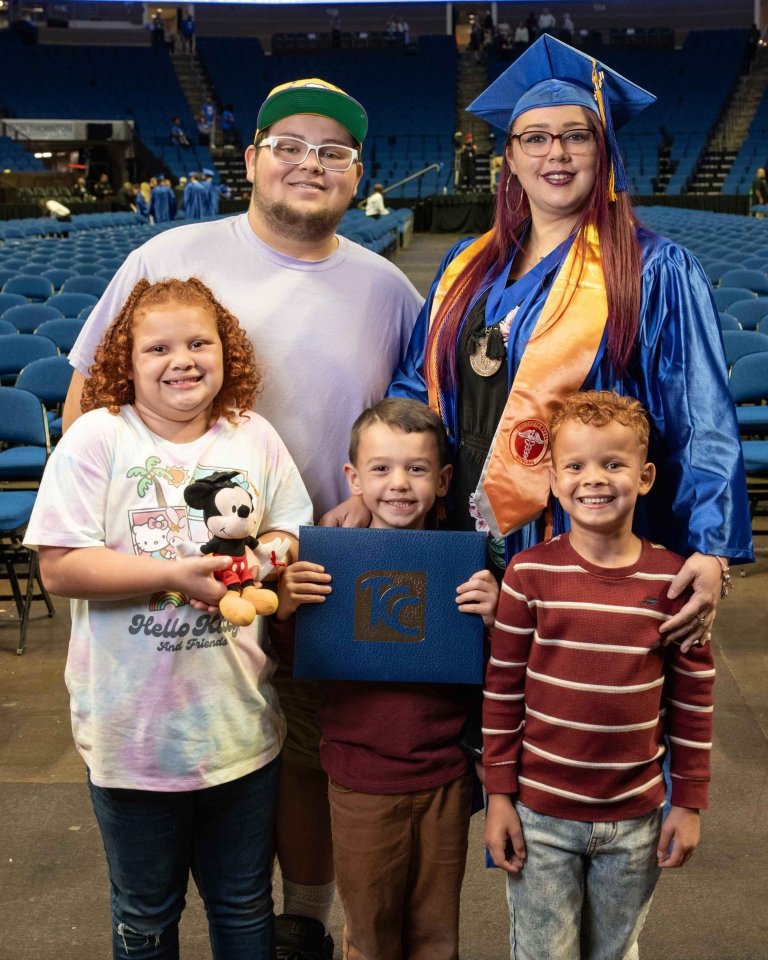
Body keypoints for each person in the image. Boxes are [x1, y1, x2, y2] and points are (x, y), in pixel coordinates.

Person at [63, 77, 423, 960]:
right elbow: (87, 398)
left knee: (302, 758)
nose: (311, 164)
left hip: (314, 570)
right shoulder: (174, 252)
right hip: (162, 590)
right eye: (290, 146)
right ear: (254, 159)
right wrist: (129, 543)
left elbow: (411, 429)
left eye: (333, 152)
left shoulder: (387, 290)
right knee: (181, 764)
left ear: (358, 173)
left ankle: (301, 923)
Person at [382, 34, 752, 650]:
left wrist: (711, 547)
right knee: (475, 714)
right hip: (460, 535)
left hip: (583, 535)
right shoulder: (465, 266)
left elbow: (701, 417)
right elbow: (415, 385)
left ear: (603, 152)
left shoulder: (653, 269)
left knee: (577, 713)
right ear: (512, 158)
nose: (556, 152)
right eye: (536, 137)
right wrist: (378, 479)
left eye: (576, 135)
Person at [25, 277, 314, 959]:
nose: (180, 359)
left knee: (244, 906)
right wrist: (172, 575)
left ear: (226, 352)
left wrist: (266, 558)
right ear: (125, 361)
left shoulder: (254, 435)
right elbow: (61, 567)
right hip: (133, 740)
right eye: (156, 348)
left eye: (198, 343)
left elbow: (291, 529)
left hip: (238, 729)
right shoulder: (98, 439)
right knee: (147, 915)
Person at [484, 390, 715, 959]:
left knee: (615, 952)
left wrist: (687, 803)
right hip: (541, 815)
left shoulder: (673, 582)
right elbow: (503, 692)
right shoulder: (528, 574)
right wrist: (498, 796)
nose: (595, 479)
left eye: (614, 464)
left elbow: (692, 702)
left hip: (635, 818)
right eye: (576, 465)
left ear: (645, 476)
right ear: (555, 481)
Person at [275, 397, 498, 959]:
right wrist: (284, 608)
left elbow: (498, 673)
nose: (398, 484)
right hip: (361, 779)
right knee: (370, 935)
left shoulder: (469, 568)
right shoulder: (329, 565)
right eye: (380, 469)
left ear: (444, 479)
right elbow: (301, 661)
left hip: (445, 775)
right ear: (352, 478)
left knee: (436, 933)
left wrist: (499, 620)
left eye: (417, 469)